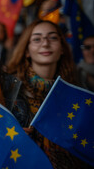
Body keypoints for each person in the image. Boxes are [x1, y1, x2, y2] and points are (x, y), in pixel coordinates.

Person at [7, 20, 88, 168]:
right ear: (26, 51)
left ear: (62, 48)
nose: (45, 43)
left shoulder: (76, 94)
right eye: (37, 39)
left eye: (53, 38)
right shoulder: (8, 89)